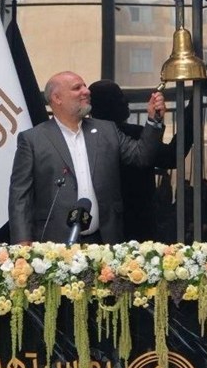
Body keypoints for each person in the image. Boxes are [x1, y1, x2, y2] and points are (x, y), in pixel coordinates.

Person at [9, 71, 165, 245]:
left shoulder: (107, 130)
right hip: (55, 246)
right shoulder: (33, 140)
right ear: (57, 98)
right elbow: (20, 196)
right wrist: (22, 242)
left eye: (85, 86)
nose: (86, 91)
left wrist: (154, 121)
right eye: (77, 88)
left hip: (104, 242)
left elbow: (141, 156)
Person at [88, 79, 190, 242]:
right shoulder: (132, 135)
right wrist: (192, 113)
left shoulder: (86, 136)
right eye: (120, 98)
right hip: (137, 221)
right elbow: (170, 158)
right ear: (108, 105)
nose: (126, 102)